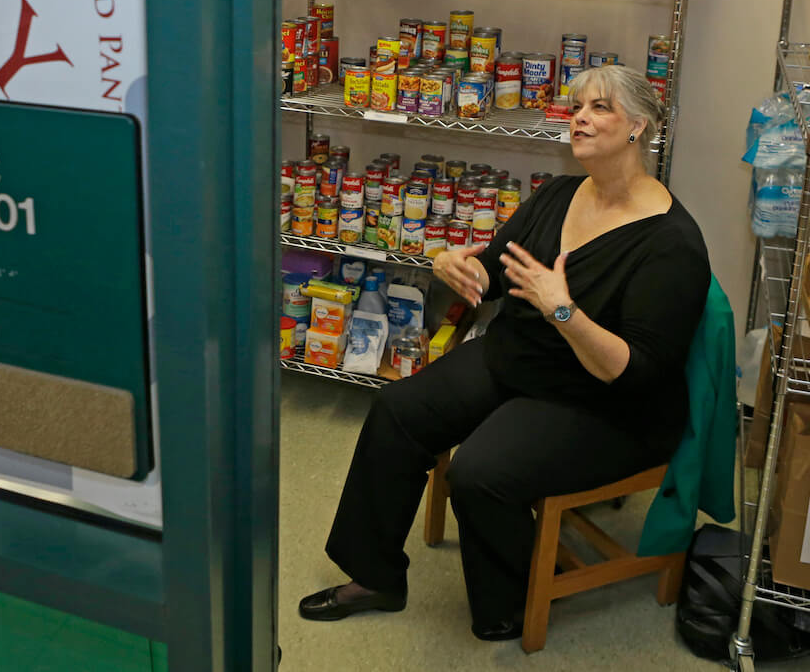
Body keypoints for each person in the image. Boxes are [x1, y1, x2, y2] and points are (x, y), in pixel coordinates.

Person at [298, 64, 710, 641]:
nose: (581, 118)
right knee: (397, 411)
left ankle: (506, 608)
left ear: (639, 126)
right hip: (519, 358)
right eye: (578, 107)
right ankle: (375, 577)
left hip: (603, 403)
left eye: (599, 108)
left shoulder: (671, 242)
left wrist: (562, 310)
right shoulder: (560, 194)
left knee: (481, 472)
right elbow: (493, 273)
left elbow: (635, 370)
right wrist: (455, 266)